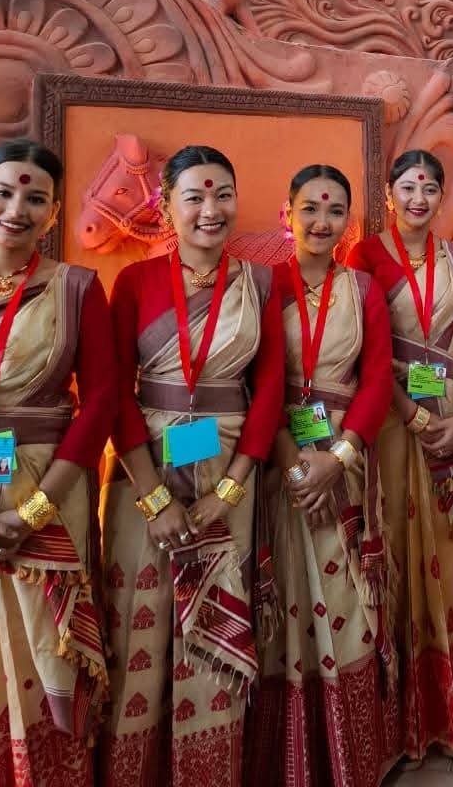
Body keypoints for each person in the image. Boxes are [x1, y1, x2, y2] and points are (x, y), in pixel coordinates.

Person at [101, 145, 284, 787]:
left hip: (231, 468)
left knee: (221, 617)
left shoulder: (260, 283)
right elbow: (111, 394)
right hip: (142, 471)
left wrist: (229, 490)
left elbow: (270, 392)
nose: (212, 209)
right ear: (165, 205)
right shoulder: (134, 282)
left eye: (223, 195)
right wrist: (154, 498)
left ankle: (212, 770)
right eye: (195, 196)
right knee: (139, 618)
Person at [0, 138, 115, 785]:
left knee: (44, 649)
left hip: (48, 495)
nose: (17, 209)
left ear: (54, 212)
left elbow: (100, 404)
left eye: (36, 198)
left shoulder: (77, 288)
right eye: (4, 192)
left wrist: (37, 510)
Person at [251, 164, 398, 786]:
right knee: (285, 606)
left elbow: (378, 380)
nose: (321, 221)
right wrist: (295, 465)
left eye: (335, 210)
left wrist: (336, 459)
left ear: (348, 221)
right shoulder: (262, 284)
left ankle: (351, 756)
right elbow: (256, 381)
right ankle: (292, 760)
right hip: (280, 462)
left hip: (346, 460)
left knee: (347, 601)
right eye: (309, 208)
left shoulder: (363, 289)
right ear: (287, 214)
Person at [348, 149, 453, 765]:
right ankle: (397, 721)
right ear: (389, 194)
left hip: (452, 419)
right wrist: (412, 414)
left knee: (452, 558)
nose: (420, 199)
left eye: (430, 188)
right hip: (392, 422)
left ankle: (448, 712)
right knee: (398, 554)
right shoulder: (366, 257)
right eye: (408, 187)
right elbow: (364, 353)